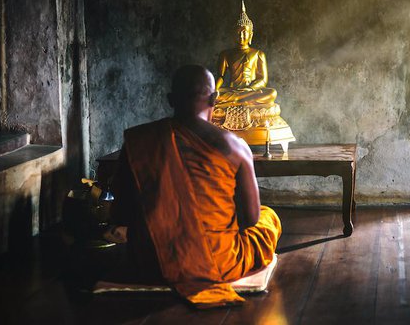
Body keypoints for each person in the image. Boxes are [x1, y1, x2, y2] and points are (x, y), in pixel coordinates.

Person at [108, 64, 282, 308]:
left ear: (170, 100)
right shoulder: (235, 146)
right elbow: (251, 219)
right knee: (268, 217)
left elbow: (120, 213)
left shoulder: (141, 140)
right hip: (218, 262)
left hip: (152, 260)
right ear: (215, 99)